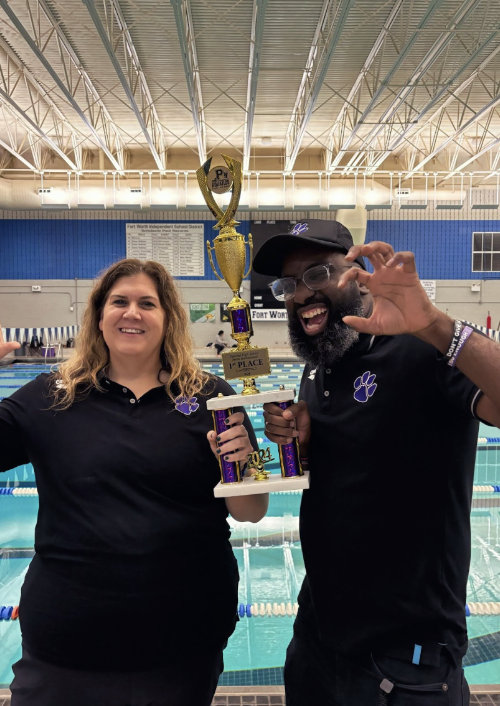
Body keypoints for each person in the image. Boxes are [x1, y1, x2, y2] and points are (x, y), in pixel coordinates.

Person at [253, 219, 500, 706]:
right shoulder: (319, 363)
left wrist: (434, 325)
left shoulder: (422, 348)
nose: (302, 294)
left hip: (406, 657)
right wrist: (306, 445)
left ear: (356, 271)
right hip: (319, 641)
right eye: (288, 285)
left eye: (318, 274)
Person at [0, 258, 268, 706]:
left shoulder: (211, 396)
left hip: (182, 641)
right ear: (99, 317)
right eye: (119, 301)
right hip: (65, 643)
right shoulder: (51, 396)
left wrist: (241, 467)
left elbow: (250, 511)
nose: (132, 313)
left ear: (168, 320)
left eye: (148, 303)